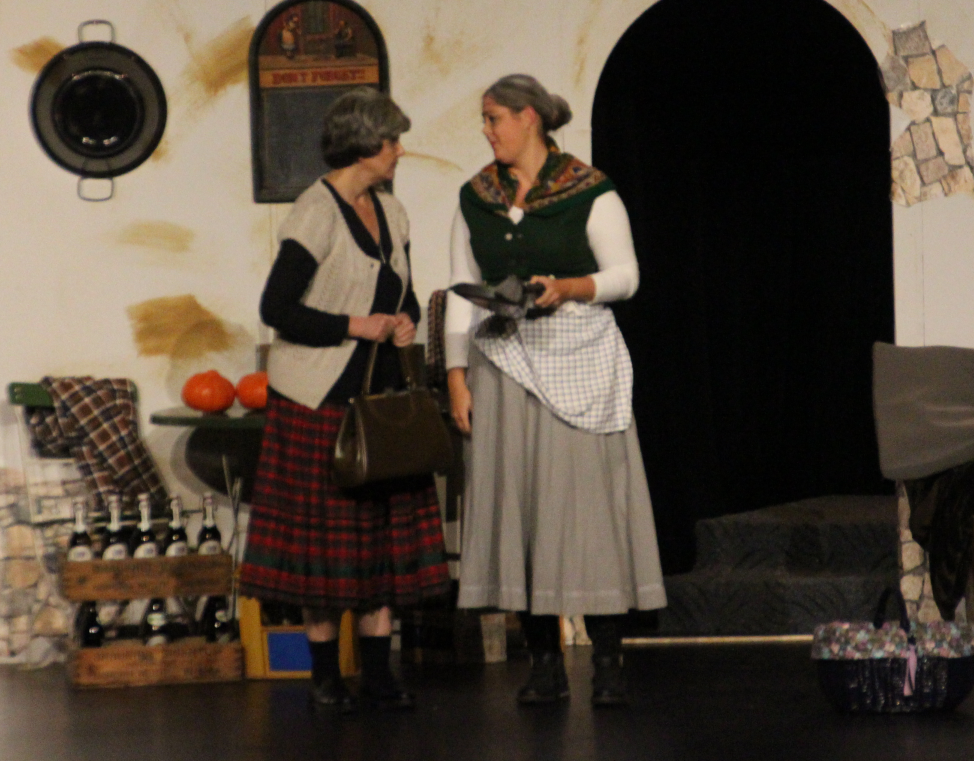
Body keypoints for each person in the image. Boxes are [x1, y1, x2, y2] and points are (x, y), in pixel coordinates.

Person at [445, 74, 665, 708]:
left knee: (590, 509)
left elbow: (627, 276)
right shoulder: (476, 197)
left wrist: (569, 287)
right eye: (485, 119)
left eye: (494, 118)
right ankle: (543, 662)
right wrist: (456, 376)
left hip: (578, 356)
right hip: (502, 362)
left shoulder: (589, 190)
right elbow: (460, 290)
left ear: (529, 118)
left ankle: (608, 660)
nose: (486, 130)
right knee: (519, 510)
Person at [239, 87, 449, 712]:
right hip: (317, 402)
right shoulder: (315, 213)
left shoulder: (393, 212)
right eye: (392, 141)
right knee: (322, 555)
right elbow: (278, 310)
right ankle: (327, 677)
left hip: (378, 400)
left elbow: (403, 294)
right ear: (364, 145)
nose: (399, 151)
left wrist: (405, 321)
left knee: (380, 547)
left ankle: (380, 676)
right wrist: (357, 325)